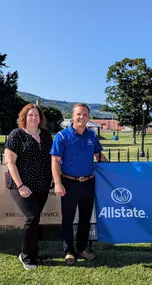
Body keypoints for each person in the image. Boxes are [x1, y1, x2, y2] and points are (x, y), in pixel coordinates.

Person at [50, 103, 108, 265]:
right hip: (69, 183)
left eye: (84, 114)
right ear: (73, 116)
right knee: (67, 219)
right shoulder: (62, 136)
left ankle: (82, 248)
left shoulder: (92, 136)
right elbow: (55, 160)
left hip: (88, 182)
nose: (81, 117)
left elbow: (98, 156)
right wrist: (58, 183)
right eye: (78, 114)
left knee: (85, 218)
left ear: (88, 117)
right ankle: (68, 251)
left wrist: (115, 170)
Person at [4, 103, 53, 270]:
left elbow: (52, 159)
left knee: (35, 218)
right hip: (21, 185)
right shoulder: (16, 135)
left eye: (37, 115)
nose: (34, 118)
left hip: (42, 184)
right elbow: (10, 162)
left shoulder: (46, 135)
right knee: (32, 217)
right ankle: (26, 256)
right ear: (24, 117)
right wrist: (21, 185)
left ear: (41, 118)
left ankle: (33, 253)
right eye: (30, 115)